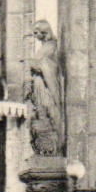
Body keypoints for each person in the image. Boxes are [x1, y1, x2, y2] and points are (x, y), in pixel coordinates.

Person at [25, 19, 63, 156]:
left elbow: (48, 65)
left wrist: (30, 62)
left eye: (36, 32)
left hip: (45, 84)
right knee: (40, 110)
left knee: (47, 109)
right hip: (38, 84)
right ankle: (44, 144)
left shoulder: (51, 45)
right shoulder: (44, 47)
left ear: (44, 31)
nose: (35, 35)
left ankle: (53, 145)